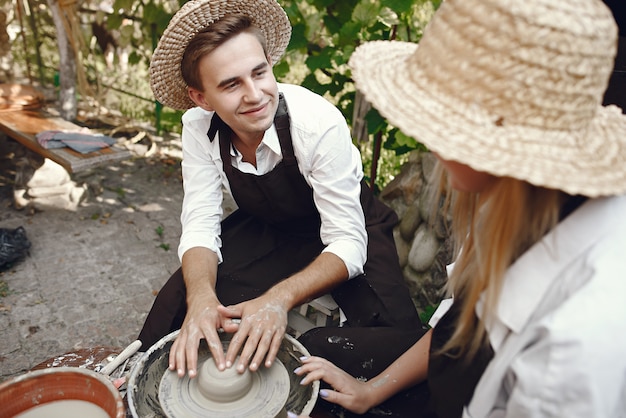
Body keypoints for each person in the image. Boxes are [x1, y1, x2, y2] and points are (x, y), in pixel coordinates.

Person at [293, 0, 626, 416]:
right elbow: (461, 321)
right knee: (319, 358)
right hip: (458, 376)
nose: (428, 139)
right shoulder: (513, 199)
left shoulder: (571, 351)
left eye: (439, 119)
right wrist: (371, 391)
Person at [137, 0, 425, 390]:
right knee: (179, 301)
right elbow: (200, 226)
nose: (255, 95)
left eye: (260, 73)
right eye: (231, 84)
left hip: (349, 229)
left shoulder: (316, 123)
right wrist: (202, 297)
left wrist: (278, 299)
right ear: (202, 98)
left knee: (382, 343)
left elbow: (347, 242)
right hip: (271, 226)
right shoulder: (197, 128)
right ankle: (144, 384)